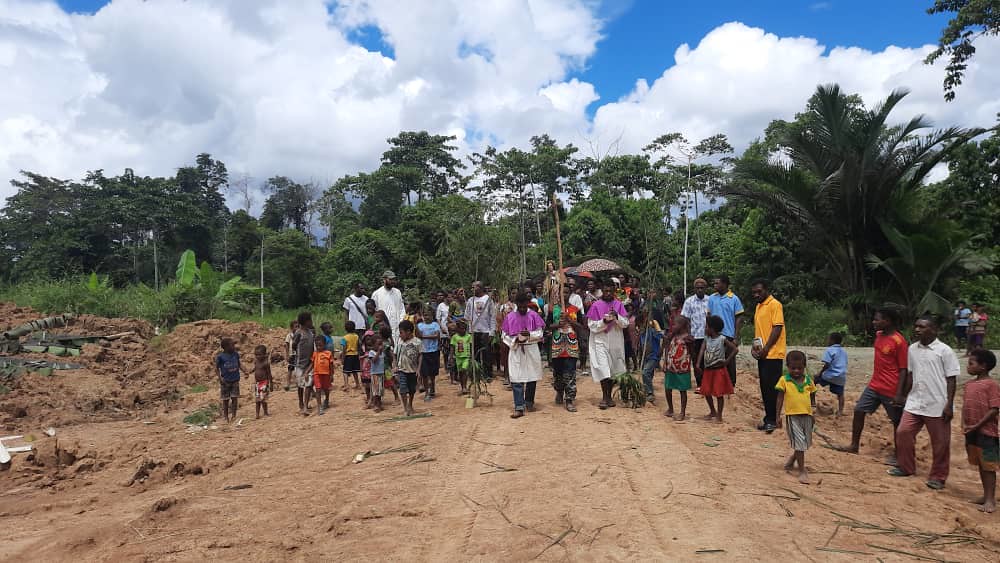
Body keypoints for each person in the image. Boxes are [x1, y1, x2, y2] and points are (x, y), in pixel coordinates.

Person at [889, 317, 960, 490]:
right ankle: (906, 467)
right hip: (915, 401)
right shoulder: (912, 349)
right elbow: (911, 375)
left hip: (937, 403)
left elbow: (951, 379)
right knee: (903, 432)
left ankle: (938, 476)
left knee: (940, 442)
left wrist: (949, 404)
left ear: (934, 329)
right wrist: (903, 395)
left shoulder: (945, 351)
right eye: (916, 326)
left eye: (922, 327)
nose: (917, 329)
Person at [836, 308, 907, 461]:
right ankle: (854, 445)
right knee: (859, 410)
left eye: (877, 319)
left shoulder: (899, 341)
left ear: (887, 321)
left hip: (891, 388)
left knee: (897, 421)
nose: (874, 322)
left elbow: (903, 369)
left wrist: (900, 393)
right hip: (875, 385)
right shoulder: (879, 335)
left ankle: (899, 454)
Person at [962, 349, 999, 513]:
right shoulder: (969, 384)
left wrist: (976, 425)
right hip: (972, 431)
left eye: (971, 363)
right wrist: (964, 423)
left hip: (988, 434)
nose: (967, 366)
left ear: (983, 366)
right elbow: (965, 406)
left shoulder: (992, 385)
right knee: (980, 463)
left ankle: (990, 500)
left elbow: (994, 409)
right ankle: (985, 495)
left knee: (989, 466)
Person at [775, 350, 816, 484]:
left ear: (804, 366)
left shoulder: (809, 380)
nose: (796, 371)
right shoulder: (784, 380)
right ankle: (802, 470)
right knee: (799, 442)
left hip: (807, 416)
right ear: (787, 366)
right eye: (793, 368)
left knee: (805, 443)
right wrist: (777, 416)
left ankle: (793, 460)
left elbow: (812, 396)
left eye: (799, 368)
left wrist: (813, 412)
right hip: (792, 417)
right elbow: (780, 398)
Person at [502, 292, 546, 419]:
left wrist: (528, 335)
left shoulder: (533, 315)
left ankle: (529, 402)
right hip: (516, 350)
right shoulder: (510, 317)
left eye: (524, 306)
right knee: (516, 378)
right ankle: (519, 407)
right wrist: (516, 340)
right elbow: (504, 335)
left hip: (531, 349)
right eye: (520, 306)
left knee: (532, 377)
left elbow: (539, 333)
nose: (522, 308)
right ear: (517, 304)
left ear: (527, 304)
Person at [751, 280, 786, 433]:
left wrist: (766, 349)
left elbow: (777, 328)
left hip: (773, 354)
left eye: (759, 291)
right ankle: (769, 418)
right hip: (763, 354)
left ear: (766, 290)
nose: (756, 295)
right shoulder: (759, 306)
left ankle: (772, 420)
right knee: (765, 388)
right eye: (754, 292)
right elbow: (760, 332)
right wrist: (756, 349)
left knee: (772, 389)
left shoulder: (775, 304)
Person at [588, 280, 629, 409]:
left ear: (614, 291)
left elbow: (626, 323)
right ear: (602, 291)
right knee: (603, 368)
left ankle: (609, 396)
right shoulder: (596, 305)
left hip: (616, 341)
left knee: (613, 370)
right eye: (605, 291)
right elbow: (591, 325)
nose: (608, 293)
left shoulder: (619, 304)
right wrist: (604, 321)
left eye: (610, 291)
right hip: (600, 340)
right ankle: (605, 397)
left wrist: (617, 317)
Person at [696, 315, 738, 423]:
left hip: (719, 370)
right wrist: (698, 364)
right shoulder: (706, 339)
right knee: (706, 391)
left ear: (712, 329)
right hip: (708, 369)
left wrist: (727, 361)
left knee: (719, 394)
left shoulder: (722, 339)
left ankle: (719, 415)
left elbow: (734, 349)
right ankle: (712, 411)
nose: (705, 328)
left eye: (707, 326)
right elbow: (701, 350)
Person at [707, 275, 744, 386]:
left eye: (717, 283)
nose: (715, 285)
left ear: (724, 284)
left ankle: (731, 383)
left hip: (728, 334)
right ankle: (715, 382)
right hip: (714, 335)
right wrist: (707, 329)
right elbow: (708, 315)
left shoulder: (734, 298)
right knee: (713, 358)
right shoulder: (712, 298)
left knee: (729, 360)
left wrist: (736, 336)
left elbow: (739, 318)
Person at [550, 287, 583, 412]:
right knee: (558, 371)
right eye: (562, 292)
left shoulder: (575, 309)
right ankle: (559, 391)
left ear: (570, 294)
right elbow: (548, 326)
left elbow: (581, 326)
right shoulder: (553, 309)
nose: (564, 294)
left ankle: (569, 399)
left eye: (566, 292)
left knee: (570, 371)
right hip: (557, 343)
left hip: (571, 343)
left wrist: (570, 320)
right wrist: (558, 324)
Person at [662, 316, 693, 421]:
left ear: (683, 326)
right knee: (667, 388)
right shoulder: (672, 336)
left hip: (682, 368)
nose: (673, 327)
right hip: (671, 366)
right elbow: (667, 348)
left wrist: (695, 365)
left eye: (675, 324)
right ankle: (670, 409)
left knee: (682, 390)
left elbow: (692, 352)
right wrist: (665, 362)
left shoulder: (688, 338)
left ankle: (682, 412)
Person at [681, 278, 710, 387]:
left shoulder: (710, 300)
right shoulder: (689, 301)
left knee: (708, 359)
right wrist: (688, 334)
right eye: (697, 288)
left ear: (705, 288)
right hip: (695, 336)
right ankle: (700, 384)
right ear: (694, 289)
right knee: (697, 360)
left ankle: (708, 383)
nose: (700, 290)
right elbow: (685, 319)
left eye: (702, 288)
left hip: (708, 336)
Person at [465, 281, 497, 380]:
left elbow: (492, 316)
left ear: (480, 287)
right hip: (474, 331)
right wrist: (469, 330)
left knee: (486, 353)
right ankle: (476, 374)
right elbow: (467, 316)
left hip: (485, 330)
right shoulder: (470, 300)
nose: (472, 289)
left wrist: (492, 332)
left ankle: (487, 374)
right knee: (475, 354)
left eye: (474, 287)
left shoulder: (488, 299)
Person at [816, 332, 848, 416]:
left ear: (832, 340)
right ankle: (840, 411)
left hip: (830, 375)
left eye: (828, 339)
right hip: (841, 376)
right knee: (840, 394)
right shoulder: (844, 351)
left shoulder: (829, 350)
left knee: (813, 381)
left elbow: (827, 364)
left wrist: (820, 373)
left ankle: (811, 400)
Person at [394, 319, 421, 417]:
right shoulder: (400, 342)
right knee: (403, 389)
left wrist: (418, 369)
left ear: (408, 332)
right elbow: (395, 354)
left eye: (401, 332)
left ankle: (410, 404)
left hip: (412, 370)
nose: (400, 335)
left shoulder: (417, 342)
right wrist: (395, 365)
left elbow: (420, 355)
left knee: (412, 389)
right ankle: (405, 407)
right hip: (402, 370)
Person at [215, 337, 245, 423]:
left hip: (235, 380)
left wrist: (245, 371)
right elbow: (216, 368)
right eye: (232, 345)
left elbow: (239, 364)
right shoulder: (220, 357)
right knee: (225, 400)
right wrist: (220, 378)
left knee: (235, 398)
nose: (234, 346)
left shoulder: (235, 354)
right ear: (226, 347)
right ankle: (226, 416)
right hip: (225, 381)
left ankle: (234, 415)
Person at [293, 311, 316, 416]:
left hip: (309, 363)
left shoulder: (311, 333)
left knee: (308, 384)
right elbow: (294, 344)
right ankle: (301, 403)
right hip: (299, 364)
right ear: (305, 322)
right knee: (300, 385)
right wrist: (296, 353)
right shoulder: (299, 333)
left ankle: (305, 406)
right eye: (310, 320)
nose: (311, 322)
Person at [372, 270, 405, 342]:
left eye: (394, 279)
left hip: (397, 326)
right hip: (384, 328)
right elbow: (374, 312)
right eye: (390, 279)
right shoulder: (377, 294)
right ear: (384, 280)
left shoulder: (397, 292)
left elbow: (402, 309)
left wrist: (401, 321)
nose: (393, 281)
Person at [417, 307, 442, 401]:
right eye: (425, 315)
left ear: (432, 316)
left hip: (434, 351)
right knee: (424, 373)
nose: (427, 317)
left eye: (429, 315)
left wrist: (424, 336)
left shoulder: (435, 324)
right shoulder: (420, 325)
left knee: (432, 373)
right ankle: (427, 392)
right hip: (423, 351)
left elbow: (436, 335)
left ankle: (432, 388)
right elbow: (418, 336)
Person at [639, 314, 663, 404]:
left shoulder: (652, 331)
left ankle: (650, 393)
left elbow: (660, 336)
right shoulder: (642, 333)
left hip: (653, 356)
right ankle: (646, 390)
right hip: (646, 357)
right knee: (649, 374)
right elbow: (641, 346)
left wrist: (654, 326)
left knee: (645, 372)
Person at [312, 336, 334, 415]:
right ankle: (319, 406)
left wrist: (331, 375)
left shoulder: (328, 353)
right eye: (317, 345)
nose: (318, 347)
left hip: (326, 374)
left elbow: (331, 365)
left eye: (320, 345)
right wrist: (307, 372)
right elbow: (312, 364)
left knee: (326, 389)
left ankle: (327, 400)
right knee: (318, 389)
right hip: (317, 373)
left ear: (324, 344)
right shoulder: (315, 354)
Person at [434, 290, 453, 384]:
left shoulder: (453, 305)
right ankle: (446, 366)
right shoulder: (441, 306)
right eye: (448, 297)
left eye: (451, 297)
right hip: (444, 331)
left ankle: (452, 366)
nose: (450, 299)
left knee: (452, 349)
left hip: (453, 330)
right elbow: (438, 318)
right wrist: (441, 328)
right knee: (445, 350)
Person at [380, 325, 400, 405]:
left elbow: (392, 355)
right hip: (383, 366)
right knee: (385, 382)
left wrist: (394, 364)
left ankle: (397, 398)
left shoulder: (386, 344)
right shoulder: (384, 343)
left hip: (386, 367)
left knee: (390, 382)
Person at [451, 320, 473, 394]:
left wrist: (471, 356)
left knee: (464, 370)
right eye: (461, 329)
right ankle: (462, 386)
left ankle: (464, 387)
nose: (463, 330)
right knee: (460, 372)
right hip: (458, 357)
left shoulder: (468, 336)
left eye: (464, 329)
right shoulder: (455, 337)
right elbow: (452, 347)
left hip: (466, 357)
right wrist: (451, 357)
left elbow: (471, 346)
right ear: (457, 329)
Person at [252, 344, 273, 419]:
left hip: (264, 383)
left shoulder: (266, 363)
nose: (257, 356)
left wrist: (271, 384)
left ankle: (265, 412)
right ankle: (257, 414)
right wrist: (249, 371)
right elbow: (255, 368)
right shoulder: (256, 361)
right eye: (256, 355)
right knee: (257, 399)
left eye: (259, 355)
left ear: (264, 355)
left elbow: (269, 374)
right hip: (257, 383)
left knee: (263, 399)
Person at [368, 333, 386, 413]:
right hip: (375, 374)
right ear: (373, 345)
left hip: (381, 373)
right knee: (376, 390)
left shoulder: (383, 353)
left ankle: (379, 403)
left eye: (381, 344)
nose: (380, 346)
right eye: (379, 344)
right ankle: (375, 404)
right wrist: (378, 352)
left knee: (380, 390)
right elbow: (373, 361)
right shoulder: (371, 352)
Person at [341, 321, 361, 391]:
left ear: (345, 329)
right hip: (355, 355)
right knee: (355, 371)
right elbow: (359, 345)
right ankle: (357, 384)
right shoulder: (356, 336)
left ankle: (346, 385)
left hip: (348, 355)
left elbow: (344, 349)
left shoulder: (344, 338)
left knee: (345, 371)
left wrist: (343, 358)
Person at [624, 302, 640, 372]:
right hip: (626, 336)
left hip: (633, 336)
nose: (629, 310)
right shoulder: (625, 316)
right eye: (628, 308)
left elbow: (638, 326)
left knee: (633, 352)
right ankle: (628, 367)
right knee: (626, 353)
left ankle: (636, 366)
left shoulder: (635, 317)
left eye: (631, 308)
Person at [284, 320, 299, 391]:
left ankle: (298, 383)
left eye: (298, 327)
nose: (297, 328)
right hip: (291, 355)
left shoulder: (299, 335)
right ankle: (288, 383)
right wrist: (287, 355)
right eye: (296, 327)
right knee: (290, 369)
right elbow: (286, 346)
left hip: (298, 355)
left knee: (298, 369)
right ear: (291, 328)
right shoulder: (289, 336)